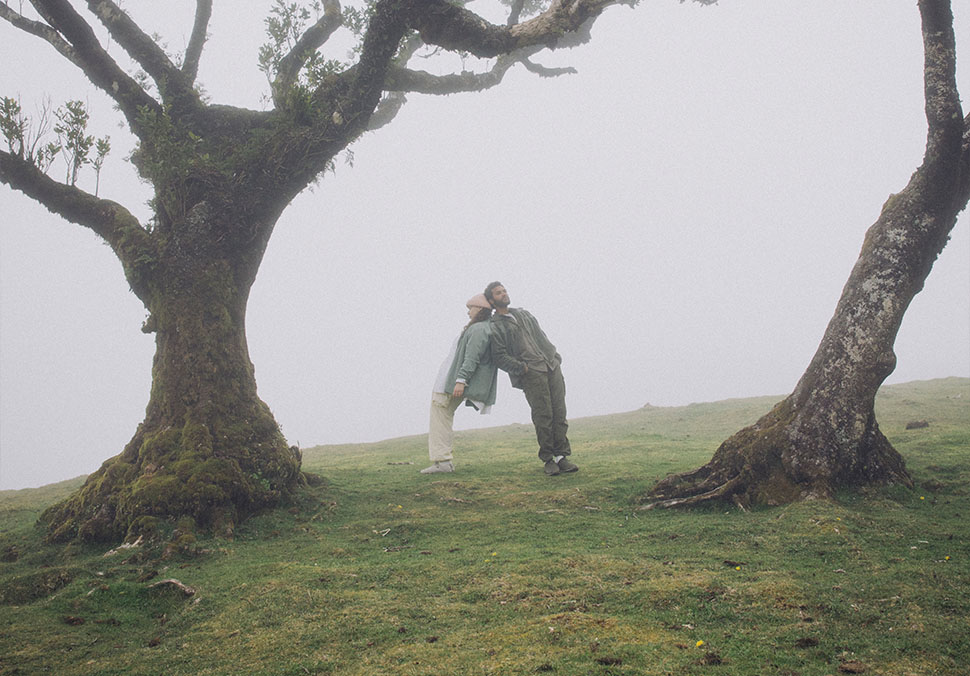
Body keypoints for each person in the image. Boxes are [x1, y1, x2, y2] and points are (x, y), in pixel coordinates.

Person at [483, 281, 577, 476]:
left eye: (505, 290)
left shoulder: (523, 314)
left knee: (560, 412)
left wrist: (555, 355)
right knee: (543, 415)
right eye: (499, 293)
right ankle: (548, 459)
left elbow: (541, 335)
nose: (504, 294)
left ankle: (562, 457)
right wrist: (521, 368)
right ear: (491, 300)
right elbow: (499, 356)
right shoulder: (495, 326)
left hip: (551, 366)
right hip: (531, 372)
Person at [422, 293, 498, 474]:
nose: (468, 312)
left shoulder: (479, 329)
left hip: (452, 381)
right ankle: (443, 461)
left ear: (479, 309)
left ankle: (443, 462)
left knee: (440, 417)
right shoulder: (479, 328)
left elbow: (472, 358)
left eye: (470, 308)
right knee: (442, 416)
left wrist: (461, 381)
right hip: (450, 380)